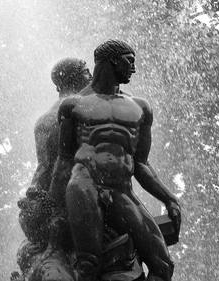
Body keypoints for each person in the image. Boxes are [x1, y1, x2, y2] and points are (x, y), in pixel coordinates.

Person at [49, 40, 181, 281]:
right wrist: (52, 210)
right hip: (83, 186)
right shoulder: (73, 106)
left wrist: (169, 199)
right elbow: (64, 161)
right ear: (111, 61)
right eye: (129, 61)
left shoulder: (141, 107)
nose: (133, 68)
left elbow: (141, 164)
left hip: (121, 191)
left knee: (162, 266)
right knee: (89, 264)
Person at [17, 57, 92, 279]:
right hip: (80, 200)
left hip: (51, 201)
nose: (91, 77)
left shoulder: (43, 120)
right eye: (87, 72)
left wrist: (36, 207)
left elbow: (43, 169)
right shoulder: (83, 110)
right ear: (76, 77)